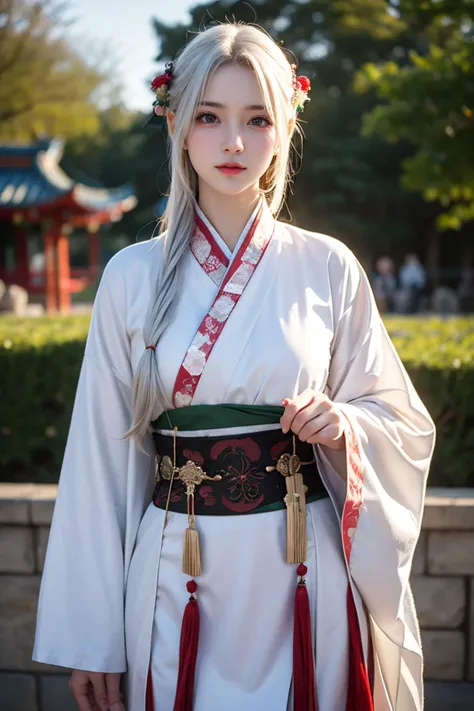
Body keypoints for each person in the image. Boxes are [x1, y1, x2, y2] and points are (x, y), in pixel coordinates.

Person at [32, 22, 435, 711]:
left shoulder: (328, 266)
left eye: (258, 119)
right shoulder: (132, 276)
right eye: (210, 117)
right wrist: (89, 639)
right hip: (175, 574)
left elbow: (399, 418)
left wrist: (344, 425)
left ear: (284, 130)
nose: (235, 142)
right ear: (178, 125)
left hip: (301, 571)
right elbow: (99, 463)